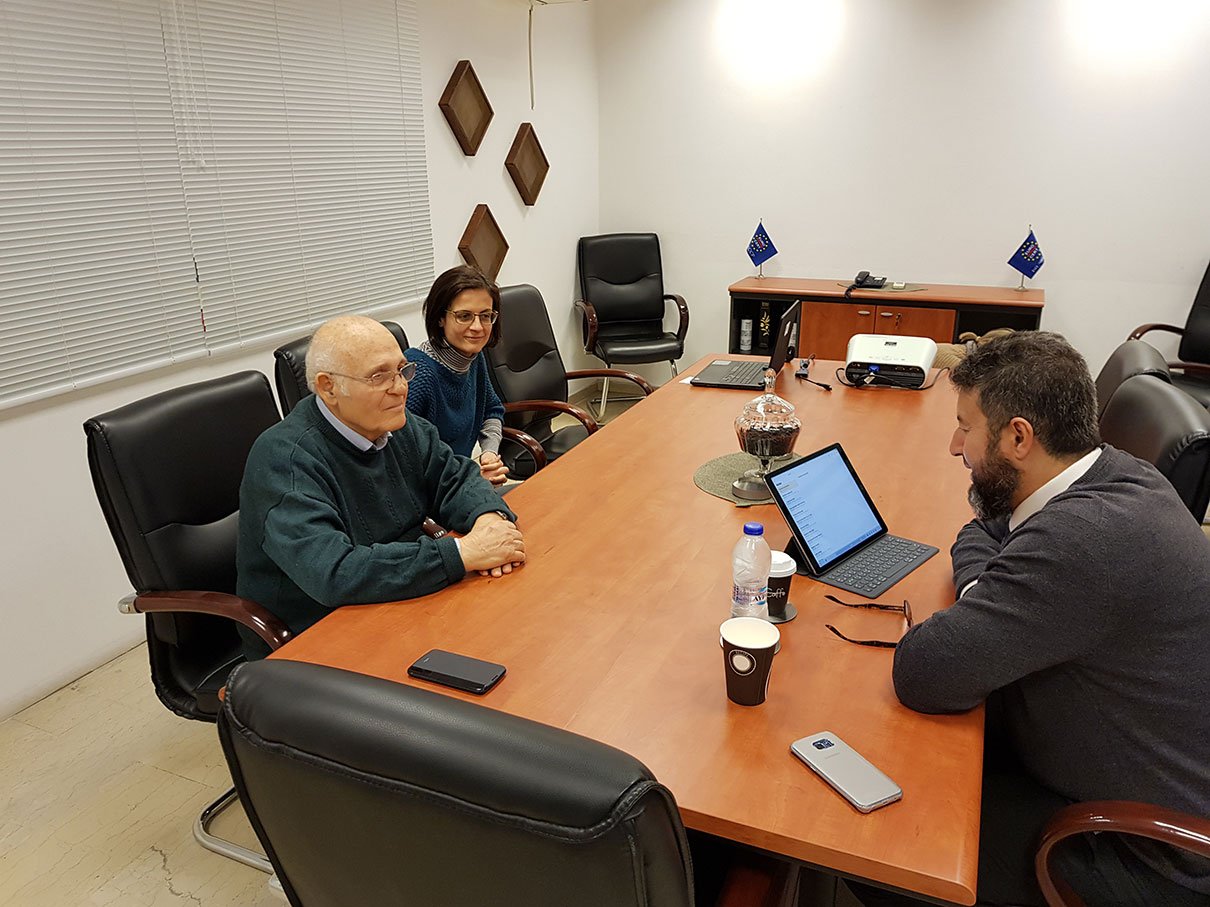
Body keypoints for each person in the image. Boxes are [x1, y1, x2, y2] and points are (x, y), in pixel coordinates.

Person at [851, 332, 1210, 907]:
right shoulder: (1114, 472)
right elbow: (983, 529)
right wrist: (988, 591)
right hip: (1103, 761)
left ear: (1018, 436)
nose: (955, 446)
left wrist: (990, 603)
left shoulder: (1084, 540)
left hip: (1141, 854)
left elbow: (924, 672)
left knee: (869, 837)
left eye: (965, 427)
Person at [237, 315, 525, 655]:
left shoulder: (393, 424)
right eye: (379, 376)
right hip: (313, 634)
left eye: (402, 370)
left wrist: (488, 521)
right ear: (328, 387)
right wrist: (462, 553)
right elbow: (334, 572)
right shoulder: (285, 460)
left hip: (397, 600)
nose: (400, 387)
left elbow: (455, 477)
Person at [405, 265, 511, 486]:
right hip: (430, 494)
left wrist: (489, 453)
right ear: (440, 318)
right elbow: (406, 460)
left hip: (458, 480)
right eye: (464, 316)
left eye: (485, 316)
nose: (478, 327)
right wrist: (471, 479)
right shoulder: (418, 373)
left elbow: (491, 409)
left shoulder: (473, 358)